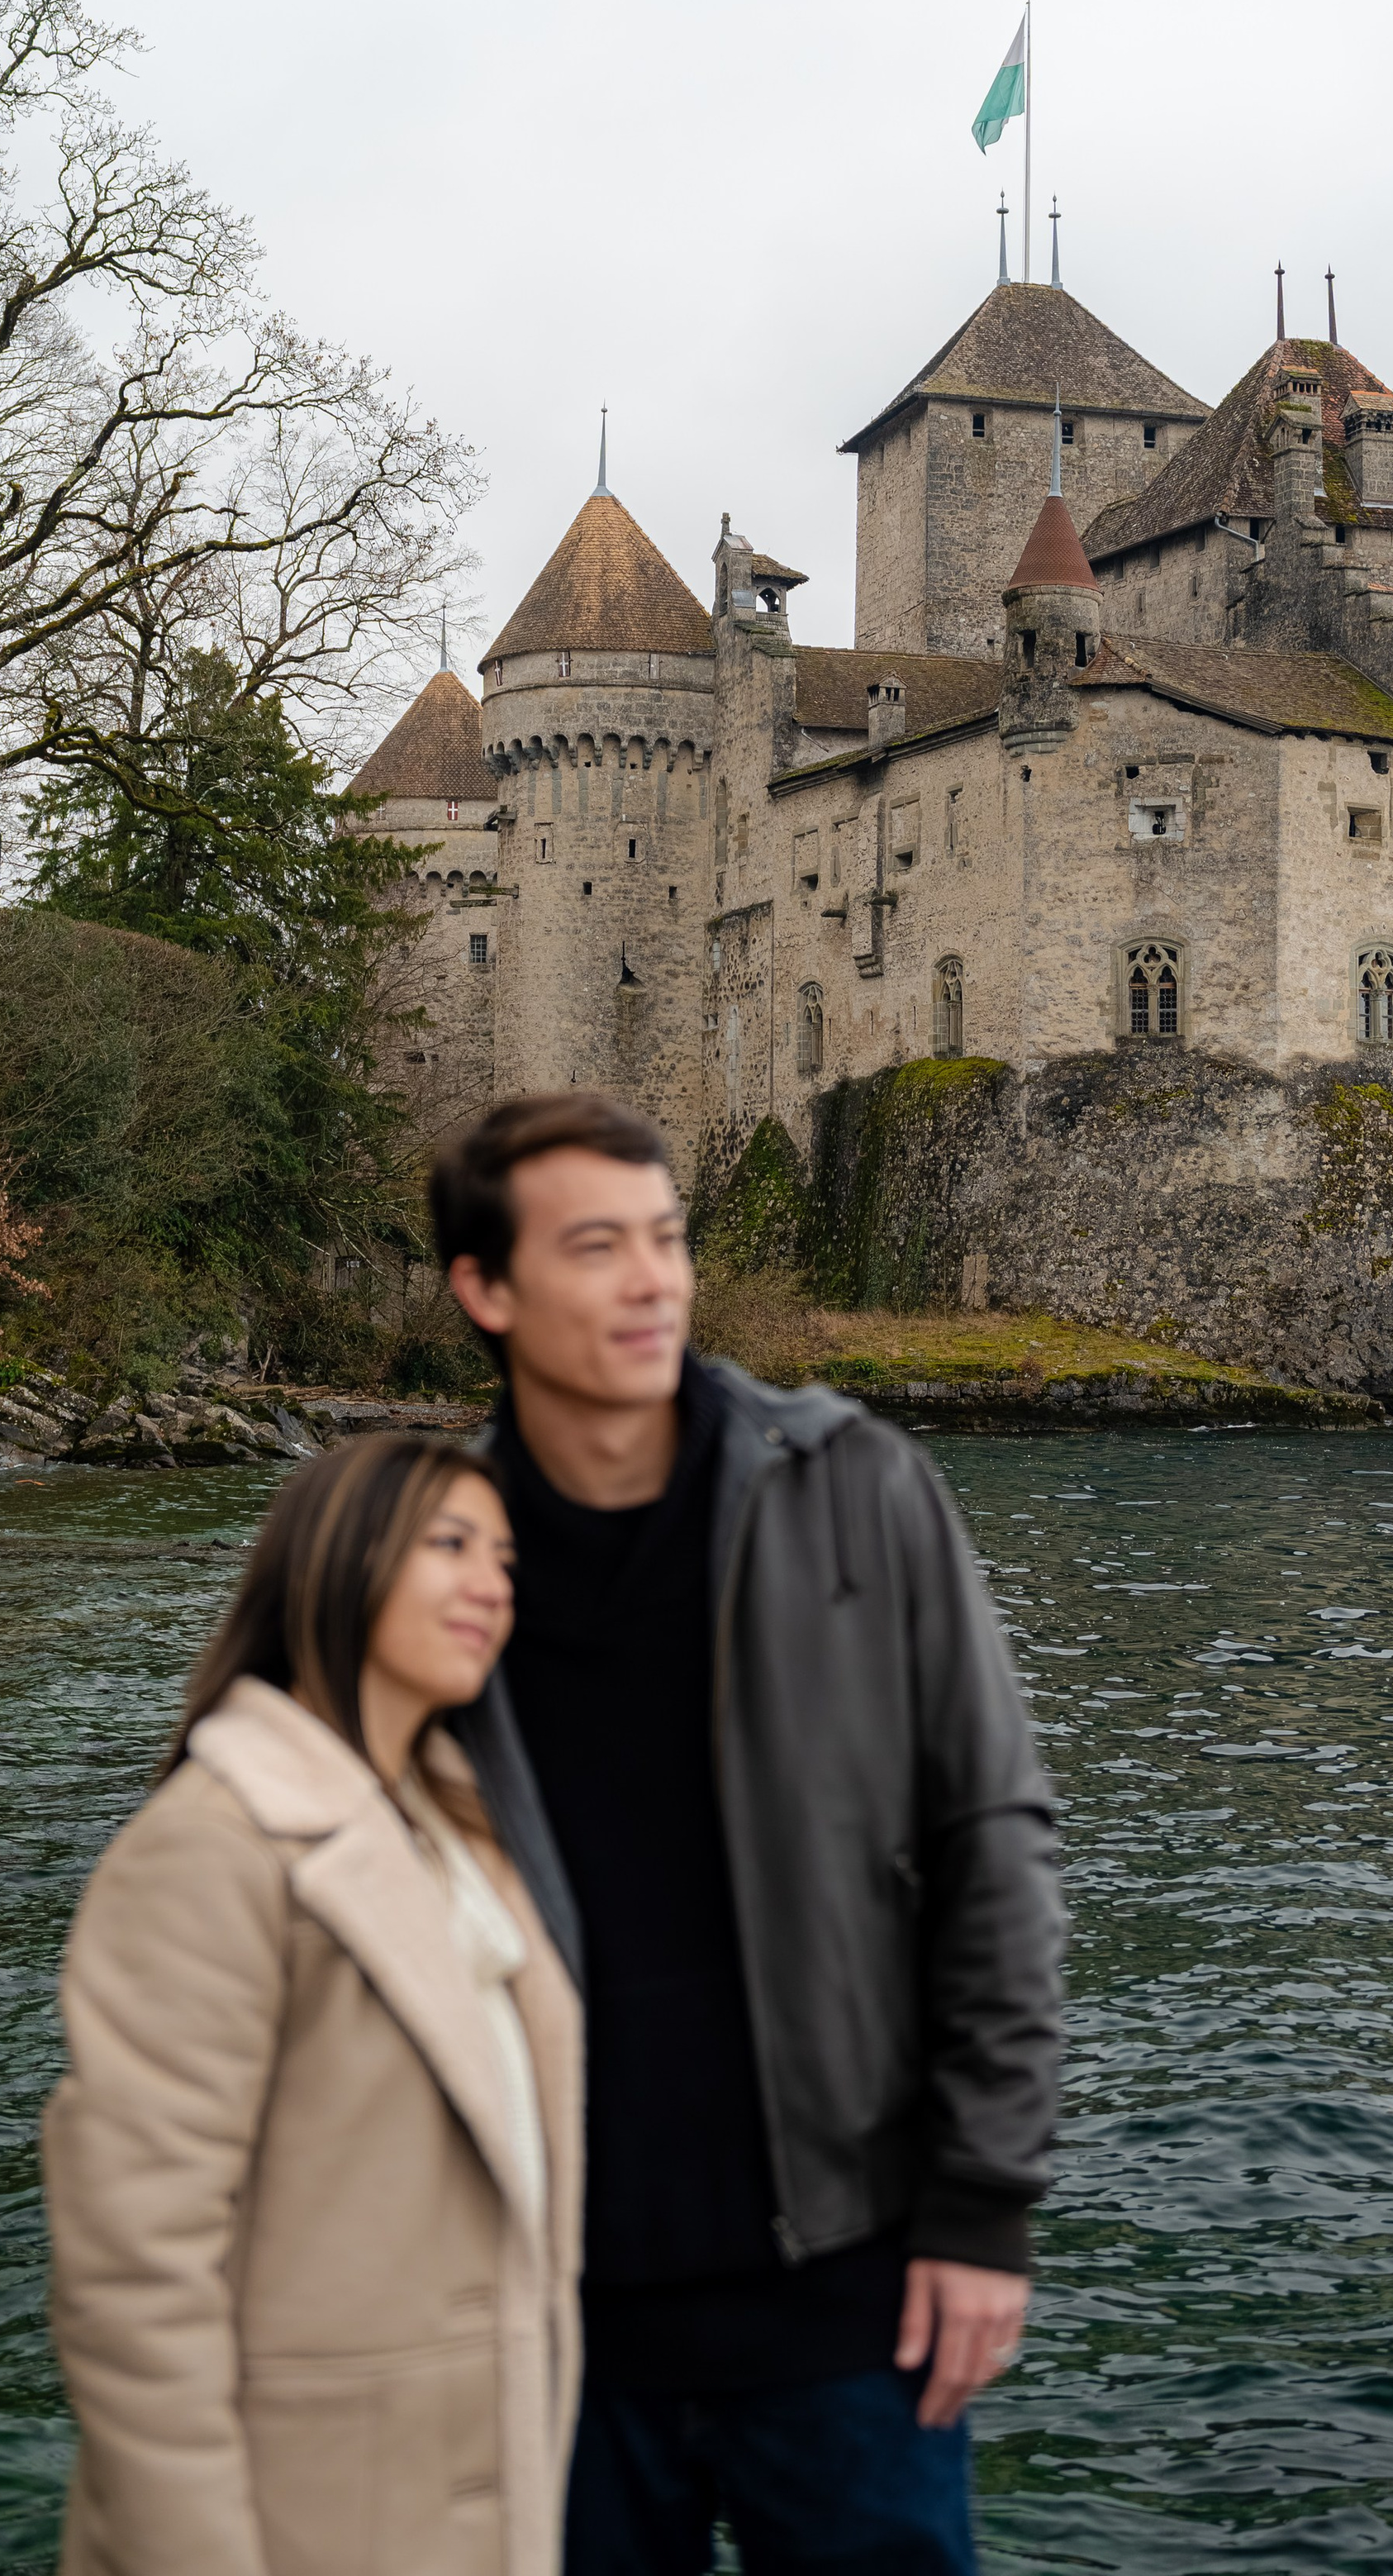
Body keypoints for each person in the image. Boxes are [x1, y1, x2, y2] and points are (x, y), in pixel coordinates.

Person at [430, 1091, 1064, 2576]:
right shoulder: (419, 1559)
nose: (655, 1280)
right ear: (487, 1289)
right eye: (599, 1247)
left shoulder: (857, 1486)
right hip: (540, 2324)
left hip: (848, 2301)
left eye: (668, 1238)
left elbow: (994, 1845)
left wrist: (984, 2210)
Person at [41, 1436, 582, 2576]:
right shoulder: (210, 1846)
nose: (492, 1581)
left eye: (504, 1556)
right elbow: (136, 2282)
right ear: (341, 1562)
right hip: (307, 2520)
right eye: (450, 1545)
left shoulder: (461, 1832)